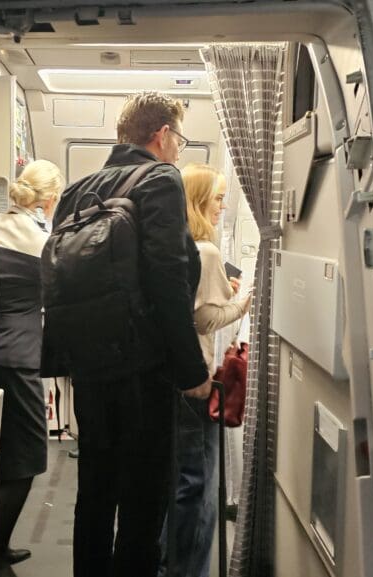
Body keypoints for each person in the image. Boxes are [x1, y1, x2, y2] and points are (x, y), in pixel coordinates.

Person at [47, 92, 212, 577]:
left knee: (95, 490)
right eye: (179, 138)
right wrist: (191, 371)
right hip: (144, 368)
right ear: (161, 135)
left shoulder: (77, 189)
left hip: (91, 365)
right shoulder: (160, 178)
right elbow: (168, 274)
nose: (179, 149)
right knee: (143, 498)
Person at [0, 159, 65, 571]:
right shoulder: (43, 242)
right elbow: (58, 298)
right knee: (26, 460)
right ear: (50, 200)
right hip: (23, 357)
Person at [161, 163, 252, 577]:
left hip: (168, 380)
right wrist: (244, 300)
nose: (222, 205)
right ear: (199, 200)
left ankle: (166, 562)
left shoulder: (173, 246)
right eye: (217, 197)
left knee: (175, 482)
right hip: (197, 381)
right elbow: (206, 319)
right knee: (200, 488)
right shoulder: (207, 251)